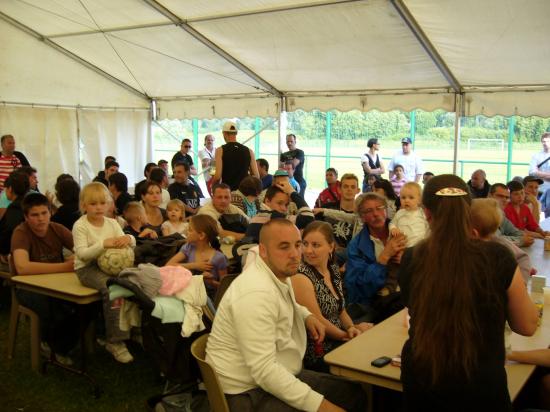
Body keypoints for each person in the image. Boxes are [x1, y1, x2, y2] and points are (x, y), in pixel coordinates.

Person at [397, 174, 538, 412]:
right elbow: (527, 325)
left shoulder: (412, 258)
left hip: (423, 379)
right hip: (480, 385)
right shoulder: (498, 256)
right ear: (468, 208)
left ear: (427, 213)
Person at [205, 218, 366, 412]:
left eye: (298, 245)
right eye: (283, 247)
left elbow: (284, 301)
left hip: (277, 371)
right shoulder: (254, 294)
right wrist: (322, 407)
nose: (295, 254)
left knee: (353, 392)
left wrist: (307, 315)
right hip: (245, 391)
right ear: (263, 251)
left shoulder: (277, 272)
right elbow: (264, 372)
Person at [291, 221, 372, 372]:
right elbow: (318, 320)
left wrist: (351, 328)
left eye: (316, 245)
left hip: (339, 338)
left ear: (331, 247)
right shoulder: (300, 277)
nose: (308, 250)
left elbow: (341, 310)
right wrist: (347, 336)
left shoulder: (333, 270)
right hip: (320, 349)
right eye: (305, 243)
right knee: (368, 358)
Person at [11, 193, 79, 364]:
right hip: (27, 288)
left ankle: (61, 345)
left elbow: (83, 251)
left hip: (58, 284)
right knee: (49, 305)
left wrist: (77, 258)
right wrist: (64, 266)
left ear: (50, 213)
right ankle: (48, 344)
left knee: (84, 303)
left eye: (44, 213)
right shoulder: (20, 233)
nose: (41, 219)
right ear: (26, 217)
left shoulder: (57, 229)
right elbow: (22, 267)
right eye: (34, 215)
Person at [73, 182, 136, 363]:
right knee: (113, 290)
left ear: (109, 204)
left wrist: (128, 238)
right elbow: (82, 254)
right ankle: (115, 341)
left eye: (103, 203)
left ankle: (134, 330)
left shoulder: (112, 223)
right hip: (87, 269)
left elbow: (130, 241)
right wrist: (103, 244)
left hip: (112, 266)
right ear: (84, 205)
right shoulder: (80, 226)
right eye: (93, 204)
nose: (99, 207)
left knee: (135, 283)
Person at [345, 193, 407, 323]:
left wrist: (408, 259)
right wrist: (383, 257)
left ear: (386, 209)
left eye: (379, 208)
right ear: (362, 217)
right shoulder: (356, 246)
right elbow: (359, 290)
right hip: (378, 304)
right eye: (369, 211)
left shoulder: (404, 229)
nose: (376, 214)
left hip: (410, 296)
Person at [471, 198, 535, 284]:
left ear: (474, 233)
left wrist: (521, 283)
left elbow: (522, 257)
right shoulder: (500, 242)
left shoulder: (499, 242)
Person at [165, 214, 227, 299]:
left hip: (208, 299)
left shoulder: (219, 258)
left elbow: (224, 288)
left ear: (201, 235)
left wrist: (211, 282)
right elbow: (168, 265)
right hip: (189, 292)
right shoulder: (188, 247)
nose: (186, 232)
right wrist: (195, 265)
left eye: (190, 230)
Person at [245, 182, 314, 244]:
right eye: (279, 203)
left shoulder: (261, 214)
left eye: (286, 205)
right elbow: (308, 218)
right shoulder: (270, 216)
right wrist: (292, 192)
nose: (284, 209)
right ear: (267, 201)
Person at [213, 121, 259, 191]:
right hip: (244, 192)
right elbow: (256, 176)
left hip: (228, 192)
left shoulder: (220, 150)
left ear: (224, 134)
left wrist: (213, 187)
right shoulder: (249, 151)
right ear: (236, 133)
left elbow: (218, 176)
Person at [0, 171, 29, 269]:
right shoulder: (28, 203)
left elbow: (10, 230)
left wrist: (3, 251)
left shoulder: (15, 207)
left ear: (10, 189)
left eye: (6, 189)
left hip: (14, 254)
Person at [489, 183, 534, 247]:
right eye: (500, 196)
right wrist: (520, 241)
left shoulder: (500, 214)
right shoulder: (484, 212)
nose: (504, 200)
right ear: (490, 196)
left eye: (507, 197)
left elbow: (518, 233)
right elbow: (495, 240)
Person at [389, 182, 429, 248]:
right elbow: (392, 223)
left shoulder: (422, 213)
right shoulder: (399, 213)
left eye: (411, 198)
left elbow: (428, 228)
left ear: (419, 200)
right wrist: (393, 228)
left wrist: (427, 242)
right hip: (402, 246)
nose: (406, 200)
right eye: (403, 197)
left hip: (419, 246)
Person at [281, 133, 307, 197]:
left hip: (299, 180)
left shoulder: (300, 152)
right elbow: (281, 167)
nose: (289, 143)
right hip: (287, 181)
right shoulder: (283, 154)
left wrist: (286, 164)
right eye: (288, 142)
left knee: (298, 200)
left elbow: (293, 165)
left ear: (295, 141)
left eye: (291, 141)